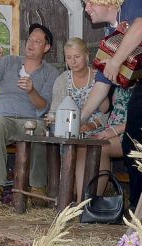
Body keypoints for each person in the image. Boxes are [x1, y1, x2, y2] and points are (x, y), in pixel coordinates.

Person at [77, 0, 142, 213]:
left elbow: (141, 26)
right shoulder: (110, 34)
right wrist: (79, 119)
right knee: (133, 140)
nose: (87, 10)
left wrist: (115, 61)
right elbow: (102, 83)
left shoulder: (133, 3)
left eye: (90, 3)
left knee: (137, 137)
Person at [0, 23, 59, 203]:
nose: (31, 44)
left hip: (31, 120)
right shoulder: (9, 62)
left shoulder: (50, 73)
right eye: (30, 40)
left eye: (37, 41)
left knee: (41, 129)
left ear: (46, 48)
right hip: (5, 118)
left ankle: (37, 188)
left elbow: (43, 106)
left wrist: (31, 91)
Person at [44, 39, 107, 202]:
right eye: (69, 57)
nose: (73, 61)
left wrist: (89, 125)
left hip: (96, 128)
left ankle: (82, 200)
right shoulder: (62, 80)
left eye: (77, 56)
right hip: (70, 131)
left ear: (86, 56)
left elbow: (107, 113)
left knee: (84, 148)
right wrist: (51, 118)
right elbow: (55, 111)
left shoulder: (98, 79)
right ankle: (70, 196)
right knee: (71, 143)